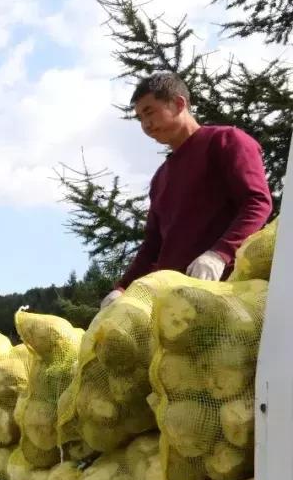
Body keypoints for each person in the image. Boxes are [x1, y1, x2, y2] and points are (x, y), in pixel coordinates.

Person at [101, 72, 272, 308]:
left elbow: (257, 202)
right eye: (140, 118)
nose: (146, 125)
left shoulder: (226, 141)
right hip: (174, 305)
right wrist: (122, 288)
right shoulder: (161, 178)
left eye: (149, 112)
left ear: (179, 103)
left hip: (230, 293)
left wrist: (219, 254)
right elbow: (152, 244)